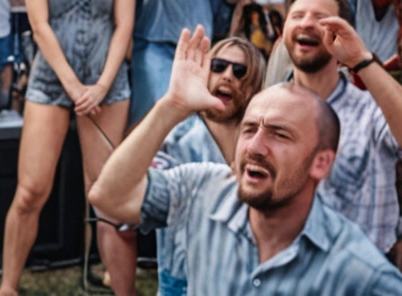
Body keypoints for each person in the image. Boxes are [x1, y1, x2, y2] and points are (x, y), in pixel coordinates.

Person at [88, 25, 402, 296]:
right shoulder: (200, 186)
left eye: (279, 134)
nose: (255, 146)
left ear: (321, 163)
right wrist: (171, 106)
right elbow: (108, 198)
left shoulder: (357, 271)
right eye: (250, 129)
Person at [0, 0, 136, 296]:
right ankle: (8, 285)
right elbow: (39, 26)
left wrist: (101, 85)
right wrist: (74, 87)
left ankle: (113, 280)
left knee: (104, 193)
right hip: (51, 86)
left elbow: (124, 26)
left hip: (108, 85)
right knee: (31, 189)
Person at [283, 0, 402, 253]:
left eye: (321, 18)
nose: (307, 24)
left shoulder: (372, 110)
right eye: (298, 15)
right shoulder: (265, 111)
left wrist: (360, 59)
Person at [150, 37, 266, 296]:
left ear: (254, 87)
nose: (227, 76)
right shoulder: (176, 138)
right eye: (218, 66)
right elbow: (134, 199)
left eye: (240, 71)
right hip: (184, 283)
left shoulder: (263, 143)